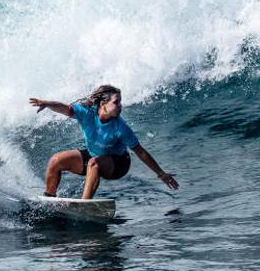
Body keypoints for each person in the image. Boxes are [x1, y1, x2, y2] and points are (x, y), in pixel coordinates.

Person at [29, 84, 179, 199]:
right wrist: (48, 104)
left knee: (94, 163)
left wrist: (161, 174)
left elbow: (140, 152)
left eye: (120, 102)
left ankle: (84, 205)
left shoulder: (120, 127)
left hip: (118, 164)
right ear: (103, 104)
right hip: (94, 155)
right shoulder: (87, 113)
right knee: (56, 160)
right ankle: (49, 199)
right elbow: (66, 108)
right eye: (116, 102)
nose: (120, 106)